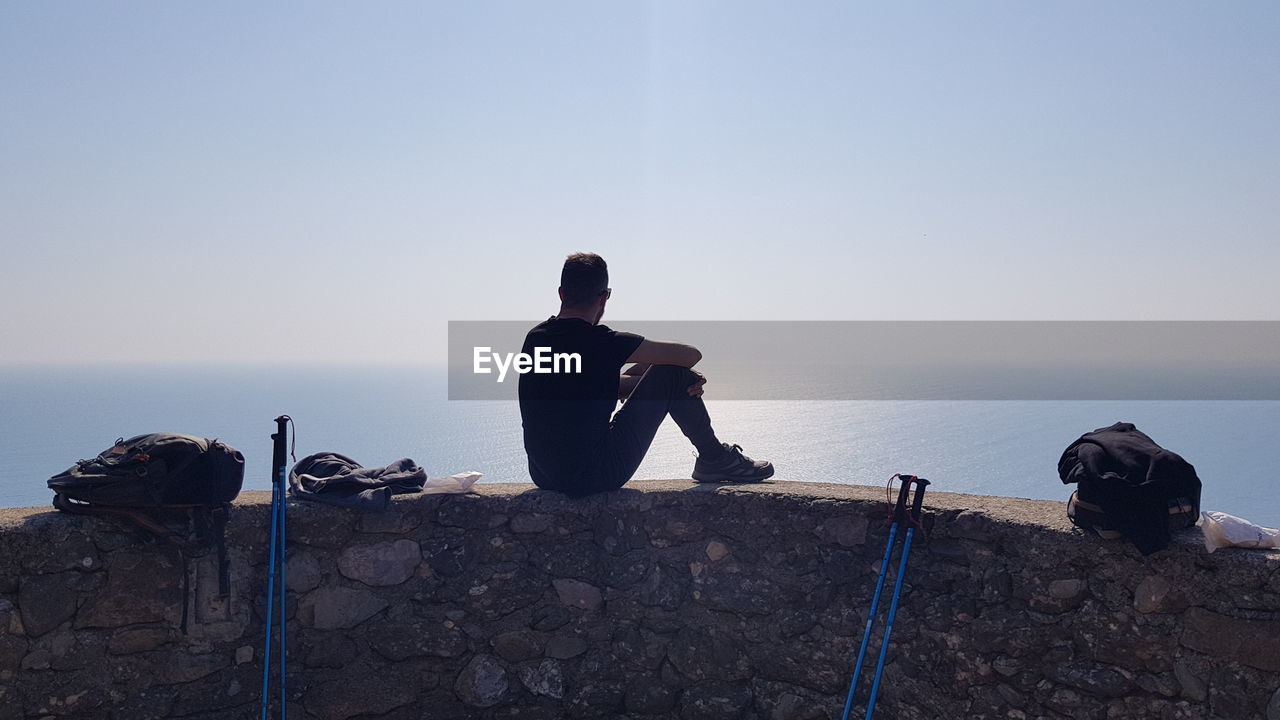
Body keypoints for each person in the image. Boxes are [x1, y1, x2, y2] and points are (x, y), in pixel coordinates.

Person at [518, 252, 774, 497]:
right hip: (596, 474)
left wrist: (647, 382)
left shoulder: (536, 339)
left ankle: (712, 455)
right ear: (604, 298)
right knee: (674, 374)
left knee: (668, 375)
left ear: (561, 293)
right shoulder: (605, 343)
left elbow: (582, 386)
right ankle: (714, 457)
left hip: (544, 474)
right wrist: (666, 377)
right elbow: (690, 355)